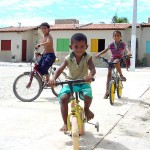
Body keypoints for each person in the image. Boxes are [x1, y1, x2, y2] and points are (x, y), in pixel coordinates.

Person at [50, 33, 96, 133]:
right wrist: (53, 78)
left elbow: (92, 68)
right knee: (63, 98)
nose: (79, 49)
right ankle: (65, 123)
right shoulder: (68, 58)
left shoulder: (88, 57)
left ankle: (87, 109)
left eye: (82, 46)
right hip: (70, 82)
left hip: (83, 83)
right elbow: (59, 70)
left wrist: (90, 75)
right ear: (71, 47)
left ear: (86, 47)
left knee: (87, 95)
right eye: (76, 46)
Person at [95, 30, 131, 99]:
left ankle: (121, 75)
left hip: (119, 59)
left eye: (118, 35)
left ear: (121, 36)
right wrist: (98, 54)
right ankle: (107, 92)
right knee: (109, 75)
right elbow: (105, 50)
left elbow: (126, 49)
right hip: (112, 59)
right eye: (115, 36)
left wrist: (128, 53)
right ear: (113, 37)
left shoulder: (123, 44)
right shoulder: (111, 44)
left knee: (116, 61)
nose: (116, 37)